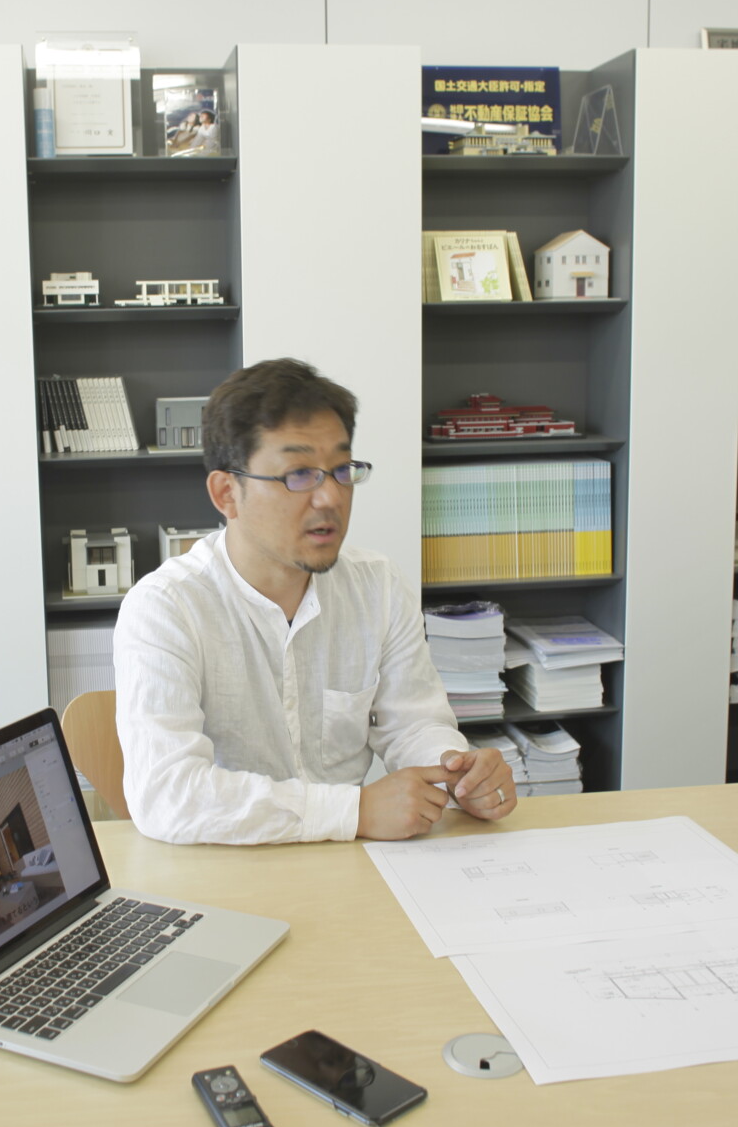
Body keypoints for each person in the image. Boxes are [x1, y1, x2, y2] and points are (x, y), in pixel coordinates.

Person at [113, 357, 517, 844]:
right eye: (299, 474)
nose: (330, 498)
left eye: (341, 470)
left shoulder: (378, 585)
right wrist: (354, 811)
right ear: (226, 493)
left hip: (352, 863)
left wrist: (457, 772)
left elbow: (412, 724)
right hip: (225, 864)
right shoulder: (166, 608)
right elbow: (168, 795)